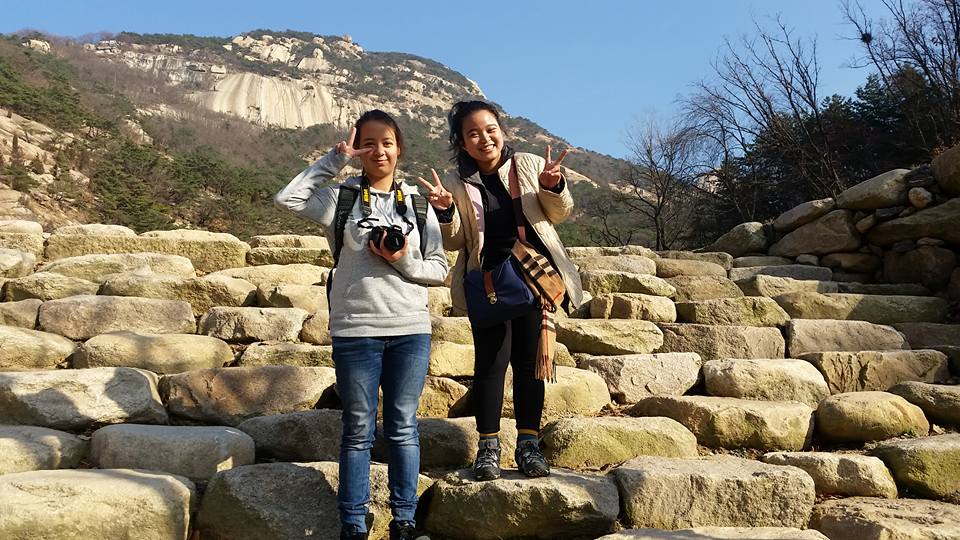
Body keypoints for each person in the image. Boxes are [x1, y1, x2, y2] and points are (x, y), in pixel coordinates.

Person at [275, 110, 448, 540]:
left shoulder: (418, 204)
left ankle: (403, 519)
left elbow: (439, 267)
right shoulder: (342, 199)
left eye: (386, 142)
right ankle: (353, 522)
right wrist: (334, 161)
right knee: (357, 428)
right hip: (356, 329)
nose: (378, 150)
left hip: (410, 329)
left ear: (399, 147)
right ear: (359, 148)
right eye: (368, 143)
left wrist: (402, 258)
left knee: (403, 425)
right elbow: (288, 199)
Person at [416, 100, 585, 481]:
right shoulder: (458, 182)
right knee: (489, 366)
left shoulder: (526, 164)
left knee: (529, 367)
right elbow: (458, 241)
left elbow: (558, 213)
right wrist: (445, 212)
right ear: (461, 142)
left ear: (502, 131)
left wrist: (552, 185)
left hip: (533, 278)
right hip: (488, 281)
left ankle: (528, 446)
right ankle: (488, 449)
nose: (483, 138)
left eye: (490, 129)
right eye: (472, 133)